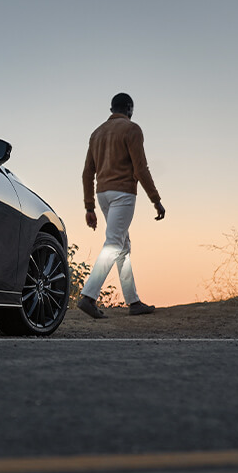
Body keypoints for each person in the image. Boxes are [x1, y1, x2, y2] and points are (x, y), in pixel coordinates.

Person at [77, 93, 165, 319]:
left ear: (111, 108)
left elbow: (88, 172)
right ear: (129, 108)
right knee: (115, 243)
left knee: (123, 245)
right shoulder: (132, 129)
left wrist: (89, 207)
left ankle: (133, 302)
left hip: (102, 195)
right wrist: (156, 200)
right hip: (123, 194)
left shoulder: (96, 133)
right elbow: (141, 169)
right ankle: (88, 296)